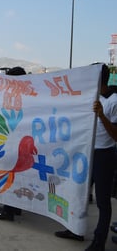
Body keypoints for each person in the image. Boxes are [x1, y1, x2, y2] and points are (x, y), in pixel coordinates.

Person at [55, 64, 117, 251]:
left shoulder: (113, 101)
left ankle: (99, 240)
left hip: (103, 155)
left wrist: (101, 116)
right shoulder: (90, 96)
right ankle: (75, 229)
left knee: (102, 200)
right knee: (78, 193)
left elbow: (115, 135)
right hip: (84, 152)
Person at [0, 67, 26, 221]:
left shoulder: (16, 96)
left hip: (13, 142)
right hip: (18, 140)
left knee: (10, 175)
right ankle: (15, 207)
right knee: (17, 175)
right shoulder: (26, 95)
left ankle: (8, 210)